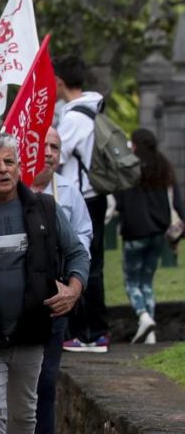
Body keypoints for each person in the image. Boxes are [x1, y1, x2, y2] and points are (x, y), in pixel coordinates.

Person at [0, 133, 89, 434]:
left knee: (23, 416)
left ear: (20, 166)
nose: (3, 169)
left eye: (9, 162)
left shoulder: (44, 208)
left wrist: (74, 289)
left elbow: (77, 253)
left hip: (30, 332)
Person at [30, 127, 93, 434]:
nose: (48, 153)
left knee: (46, 381)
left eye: (54, 147)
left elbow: (82, 239)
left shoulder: (69, 191)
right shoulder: (5, 186)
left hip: (55, 300)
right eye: (43, 145)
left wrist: (71, 285)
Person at [54, 56, 111, 353]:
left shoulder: (74, 118)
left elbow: (57, 155)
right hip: (94, 196)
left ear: (59, 81)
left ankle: (90, 333)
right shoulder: (91, 109)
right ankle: (93, 332)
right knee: (92, 261)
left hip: (82, 198)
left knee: (83, 261)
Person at [115, 128, 184, 345]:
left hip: (134, 233)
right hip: (157, 233)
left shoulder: (128, 167)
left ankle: (143, 316)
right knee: (146, 282)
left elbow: (118, 201)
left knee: (131, 282)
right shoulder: (163, 166)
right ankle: (150, 335)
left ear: (135, 145)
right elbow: (177, 200)